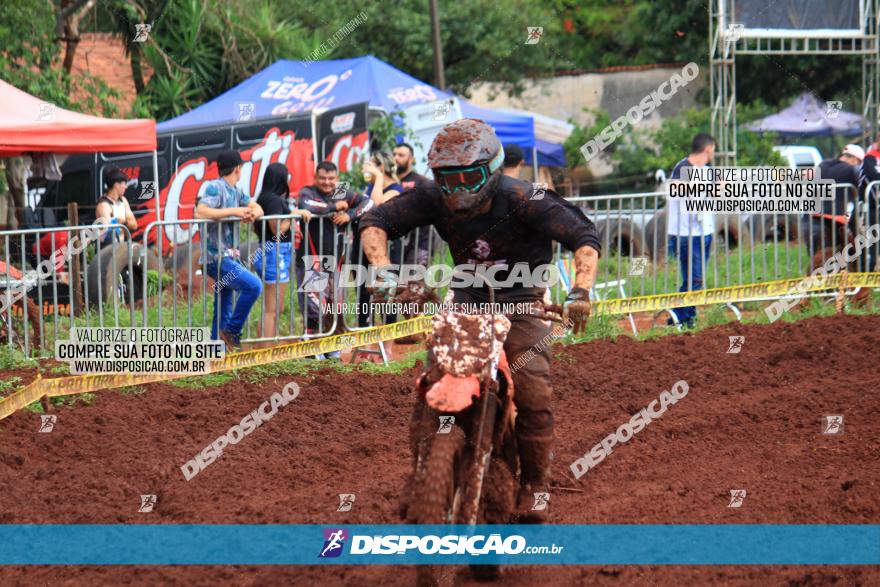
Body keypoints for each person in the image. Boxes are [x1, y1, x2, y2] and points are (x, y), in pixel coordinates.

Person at [359, 118, 600, 523]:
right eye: (447, 179)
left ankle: (535, 486)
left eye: (469, 176)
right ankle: (421, 476)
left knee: (533, 388)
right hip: (468, 301)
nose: (458, 188)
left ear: (491, 168)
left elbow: (584, 236)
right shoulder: (432, 196)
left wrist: (580, 290)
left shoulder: (526, 198)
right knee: (435, 375)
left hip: (524, 302)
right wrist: (381, 269)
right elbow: (375, 221)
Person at [296, 161, 372, 357]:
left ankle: (333, 349)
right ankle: (313, 351)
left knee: (335, 305)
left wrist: (349, 215)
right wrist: (334, 207)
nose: (327, 182)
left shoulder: (341, 191)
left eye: (331, 179)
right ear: (316, 178)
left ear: (337, 179)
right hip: (311, 260)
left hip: (336, 261)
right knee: (314, 307)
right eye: (322, 178)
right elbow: (308, 206)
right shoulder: (307, 191)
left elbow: (369, 202)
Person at [195, 149, 264, 350]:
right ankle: (231, 331)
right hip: (215, 258)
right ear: (238, 168)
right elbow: (201, 212)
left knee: (224, 305)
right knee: (253, 286)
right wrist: (235, 211)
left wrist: (253, 214)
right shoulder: (215, 187)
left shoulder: (236, 190)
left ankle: (218, 350)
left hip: (227, 257)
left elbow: (256, 206)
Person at [666, 133, 716, 328]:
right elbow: (675, 188)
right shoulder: (683, 167)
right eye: (713, 150)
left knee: (695, 279)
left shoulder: (708, 169)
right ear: (708, 149)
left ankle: (680, 316)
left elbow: (718, 191)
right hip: (686, 233)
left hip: (705, 230)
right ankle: (684, 318)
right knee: (694, 279)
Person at [252, 162, 301, 348]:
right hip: (274, 253)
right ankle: (264, 352)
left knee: (275, 308)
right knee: (272, 309)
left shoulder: (264, 198)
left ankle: (264, 348)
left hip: (271, 253)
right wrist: (293, 216)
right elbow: (277, 229)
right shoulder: (273, 200)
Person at [803, 144, 863, 268]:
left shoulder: (822, 165)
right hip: (831, 223)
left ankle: (821, 285)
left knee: (818, 262)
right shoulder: (852, 170)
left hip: (808, 221)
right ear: (854, 159)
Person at [96, 167, 138, 244]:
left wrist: (123, 222)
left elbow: (134, 225)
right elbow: (109, 230)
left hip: (121, 246)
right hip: (108, 249)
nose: (126, 187)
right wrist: (121, 223)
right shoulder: (103, 205)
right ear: (116, 185)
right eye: (124, 184)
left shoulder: (123, 200)